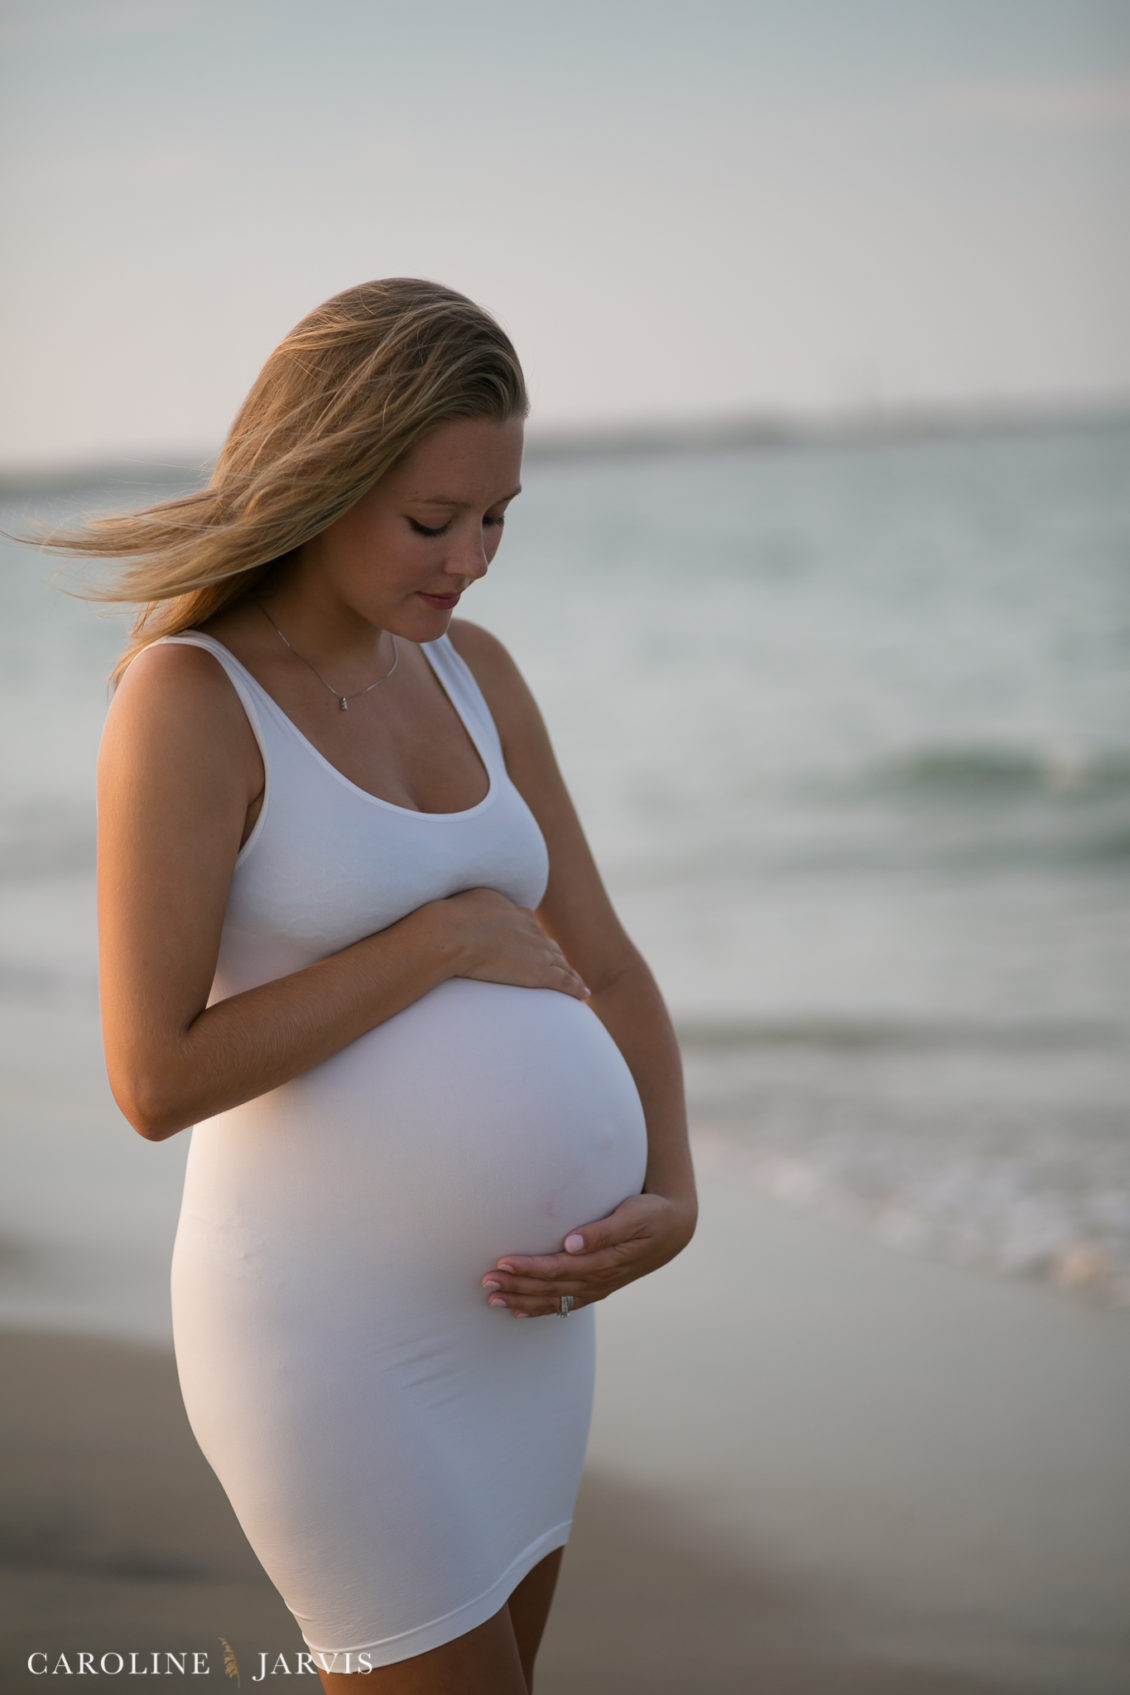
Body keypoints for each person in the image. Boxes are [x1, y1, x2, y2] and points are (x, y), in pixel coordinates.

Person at [49, 278, 697, 1694]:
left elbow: (608, 959)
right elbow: (153, 1079)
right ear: (323, 478)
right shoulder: (191, 699)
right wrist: (436, 945)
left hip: (527, 1331)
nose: (470, 558)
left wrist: (675, 1189)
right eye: (430, 520)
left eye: (497, 518)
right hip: (328, 1339)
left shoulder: (477, 675)